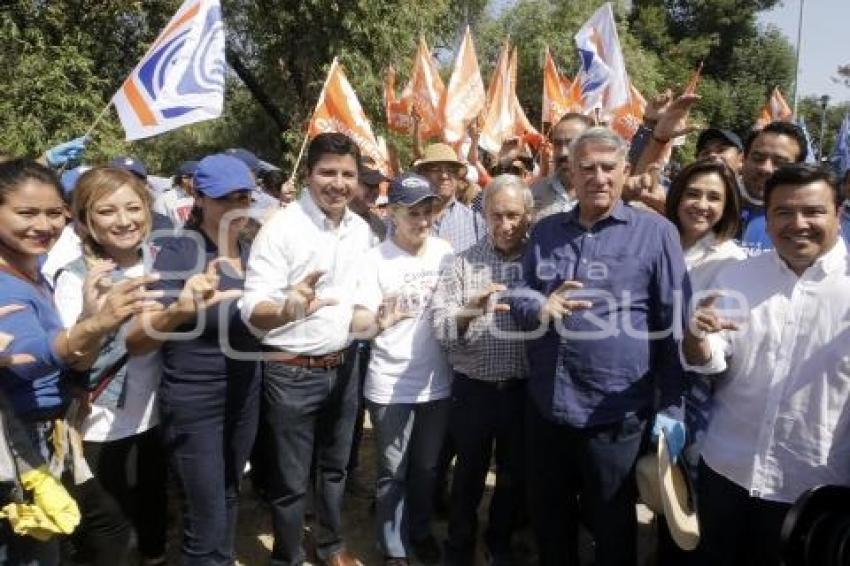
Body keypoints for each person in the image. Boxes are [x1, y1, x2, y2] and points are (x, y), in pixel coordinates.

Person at [509, 127, 689, 566]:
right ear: (570, 171)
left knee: (612, 521)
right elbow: (519, 294)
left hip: (616, 410)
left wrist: (673, 407)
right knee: (550, 517)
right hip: (548, 405)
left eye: (609, 167)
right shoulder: (547, 231)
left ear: (626, 171)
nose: (598, 177)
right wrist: (540, 304)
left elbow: (675, 324)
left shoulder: (656, 233)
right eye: (587, 167)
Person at [681, 164, 850, 566]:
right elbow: (712, 359)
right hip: (726, 468)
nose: (798, 224)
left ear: (838, 214)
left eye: (813, 211)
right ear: (767, 216)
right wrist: (696, 337)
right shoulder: (739, 275)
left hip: (812, 487)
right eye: (784, 212)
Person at [0, 159, 161, 565]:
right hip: (22, 442)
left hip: (51, 433)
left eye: (53, 213)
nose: (43, 224)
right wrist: (97, 324)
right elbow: (30, 356)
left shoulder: (30, 269)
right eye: (26, 213)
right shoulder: (31, 279)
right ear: (87, 222)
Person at [241, 133, 373, 566]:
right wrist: (286, 310)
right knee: (291, 480)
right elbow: (252, 311)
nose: (338, 183)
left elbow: (358, 299)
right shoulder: (281, 229)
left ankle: (331, 545)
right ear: (308, 175)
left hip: (345, 365)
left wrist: (376, 320)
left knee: (335, 469)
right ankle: (289, 556)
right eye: (327, 172)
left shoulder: (358, 228)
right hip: (290, 372)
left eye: (347, 174)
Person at [125, 154, 261, 565]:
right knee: (204, 519)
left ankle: (222, 557)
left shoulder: (253, 250)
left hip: (245, 390)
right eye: (224, 198)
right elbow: (137, 338)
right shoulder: (179, 252)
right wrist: (182, 308)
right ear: (198, 197)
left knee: (229, 492)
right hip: (194, 400)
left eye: (243, 197)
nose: (236, 207)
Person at [53, 167, 168, 565]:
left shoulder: (164, 259)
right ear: (84, 221)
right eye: (106, 211)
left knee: (153, 515)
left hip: (156, 416)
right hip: (100, 425)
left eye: (133, 207)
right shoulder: (77, 278)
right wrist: (95, 318)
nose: (124, 221)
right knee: (111, 535)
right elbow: (75, 359)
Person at [350, 173, 454, 566]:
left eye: (428, 211)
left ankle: (421, 530)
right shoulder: (374, 260)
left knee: (428, 468)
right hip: (390, 385)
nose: (422, 220)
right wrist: (379, 323)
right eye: (413, 212)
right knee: (392, 470)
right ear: (392, 213)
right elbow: (358, 323)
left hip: (438, 384)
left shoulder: (445, 252)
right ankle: (392, 546)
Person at [432, 175, 532, 566]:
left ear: (528, 216)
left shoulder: (538, 261)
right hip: (473, 390)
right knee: (468, 474)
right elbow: (441, 329)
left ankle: (500, 541)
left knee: (512, 475)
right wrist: (472, 307)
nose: (505, 224)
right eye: (496, 215)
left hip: (521, 390)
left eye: (513, 215)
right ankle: (459, 544)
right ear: (484, 216)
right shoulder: (461, 262)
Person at [657, 158, 745, 563]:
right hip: (647, 376)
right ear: (677, 197)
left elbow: (723, 343)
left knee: (691, 478)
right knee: (657, 480)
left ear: (727, 206)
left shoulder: (733, 260)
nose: (701, 204)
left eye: (714, 197)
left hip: (694, 387)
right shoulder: (657, 239)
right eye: (693, 193)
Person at [739, 121, 808, 255]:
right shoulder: (711, 208)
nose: (766, 169)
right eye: (758, 158)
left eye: (780, 163)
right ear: (744, 159)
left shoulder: (807, 224)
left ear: (798, 168)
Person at [415, 143, 486, 253]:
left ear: (458, 177)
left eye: (451, 170)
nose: (444, 176)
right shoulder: (404, 221)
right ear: (422, 175)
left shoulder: (476, 222)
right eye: (436, 169)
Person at [530, 113, 593, 221]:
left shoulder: (605, 194)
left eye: (571, 143)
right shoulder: (535, 192)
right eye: (557, 144)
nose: (563, 152)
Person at [153, 160, 197, 227]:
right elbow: (160, 228)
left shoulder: (205, 197)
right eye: (198, 177)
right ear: (185, 179)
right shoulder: (164, 199)